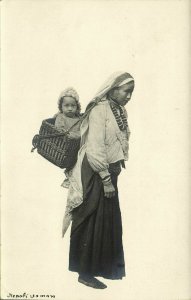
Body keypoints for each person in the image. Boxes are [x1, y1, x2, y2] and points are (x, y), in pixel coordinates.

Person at [62, 72, 135, 289]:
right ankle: (84, 273)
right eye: (126, 91)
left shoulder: (120, 110)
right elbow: (94, 148)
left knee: (106, 220)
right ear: (112, 90)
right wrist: (106, 179)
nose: (129, 96)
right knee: (89, 216)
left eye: (132, 92)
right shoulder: (99, 110)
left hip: (109, 171)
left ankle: (97, 269)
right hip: (94, 172)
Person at [55, 87, 82, 188]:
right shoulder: (61, 117)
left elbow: (83, 130)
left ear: (77, 107)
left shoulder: (79, 118)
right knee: (73, 161)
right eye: (66, 105)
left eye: (73, 106)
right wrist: (74, 135)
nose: (70, 108)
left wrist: (79, 135)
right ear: (61, 107)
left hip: (78, 145)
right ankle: (69, 177)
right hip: (65, 146)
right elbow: (59, 131)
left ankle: (75, 178)